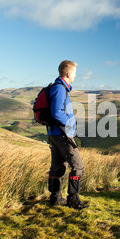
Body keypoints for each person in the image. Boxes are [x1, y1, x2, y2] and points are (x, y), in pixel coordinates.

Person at [47, 60, 88, 210]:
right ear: (68, 73)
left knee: (57, 167)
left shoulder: (59, 88)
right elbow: (57, 112)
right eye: (75, 73)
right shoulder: (60, 89)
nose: (76, 76)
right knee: (78, 166)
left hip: (55, 133)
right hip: (62, 134)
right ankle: (73, 199)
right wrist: (69, 124)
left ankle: (55, 198)